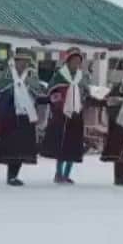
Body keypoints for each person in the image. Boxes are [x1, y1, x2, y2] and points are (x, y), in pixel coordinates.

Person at [0, 47, 47, 186]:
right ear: (15, 61)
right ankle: (11, 176)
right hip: (11, 116)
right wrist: (1, 105)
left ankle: (15, 175)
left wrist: (41, 107)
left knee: (23, 148)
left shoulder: (31, 76)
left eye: (26, 61)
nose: (24, 64)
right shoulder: (7, 75)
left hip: (26, 116)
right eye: (21, 61)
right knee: (12, 147)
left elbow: (38, 94)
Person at [41, 47, 97, 184]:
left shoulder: (82, 77)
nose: (76, 63)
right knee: (62, 146)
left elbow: (86, 93)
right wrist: (59, 101)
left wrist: (85, 101)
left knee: (73, 146)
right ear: (68, 61)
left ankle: (66, 174)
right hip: (62, 115)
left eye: (79, 61)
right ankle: (58, 173)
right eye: (74, 60)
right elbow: (50, 92)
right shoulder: (59, 75)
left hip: (76, 115)